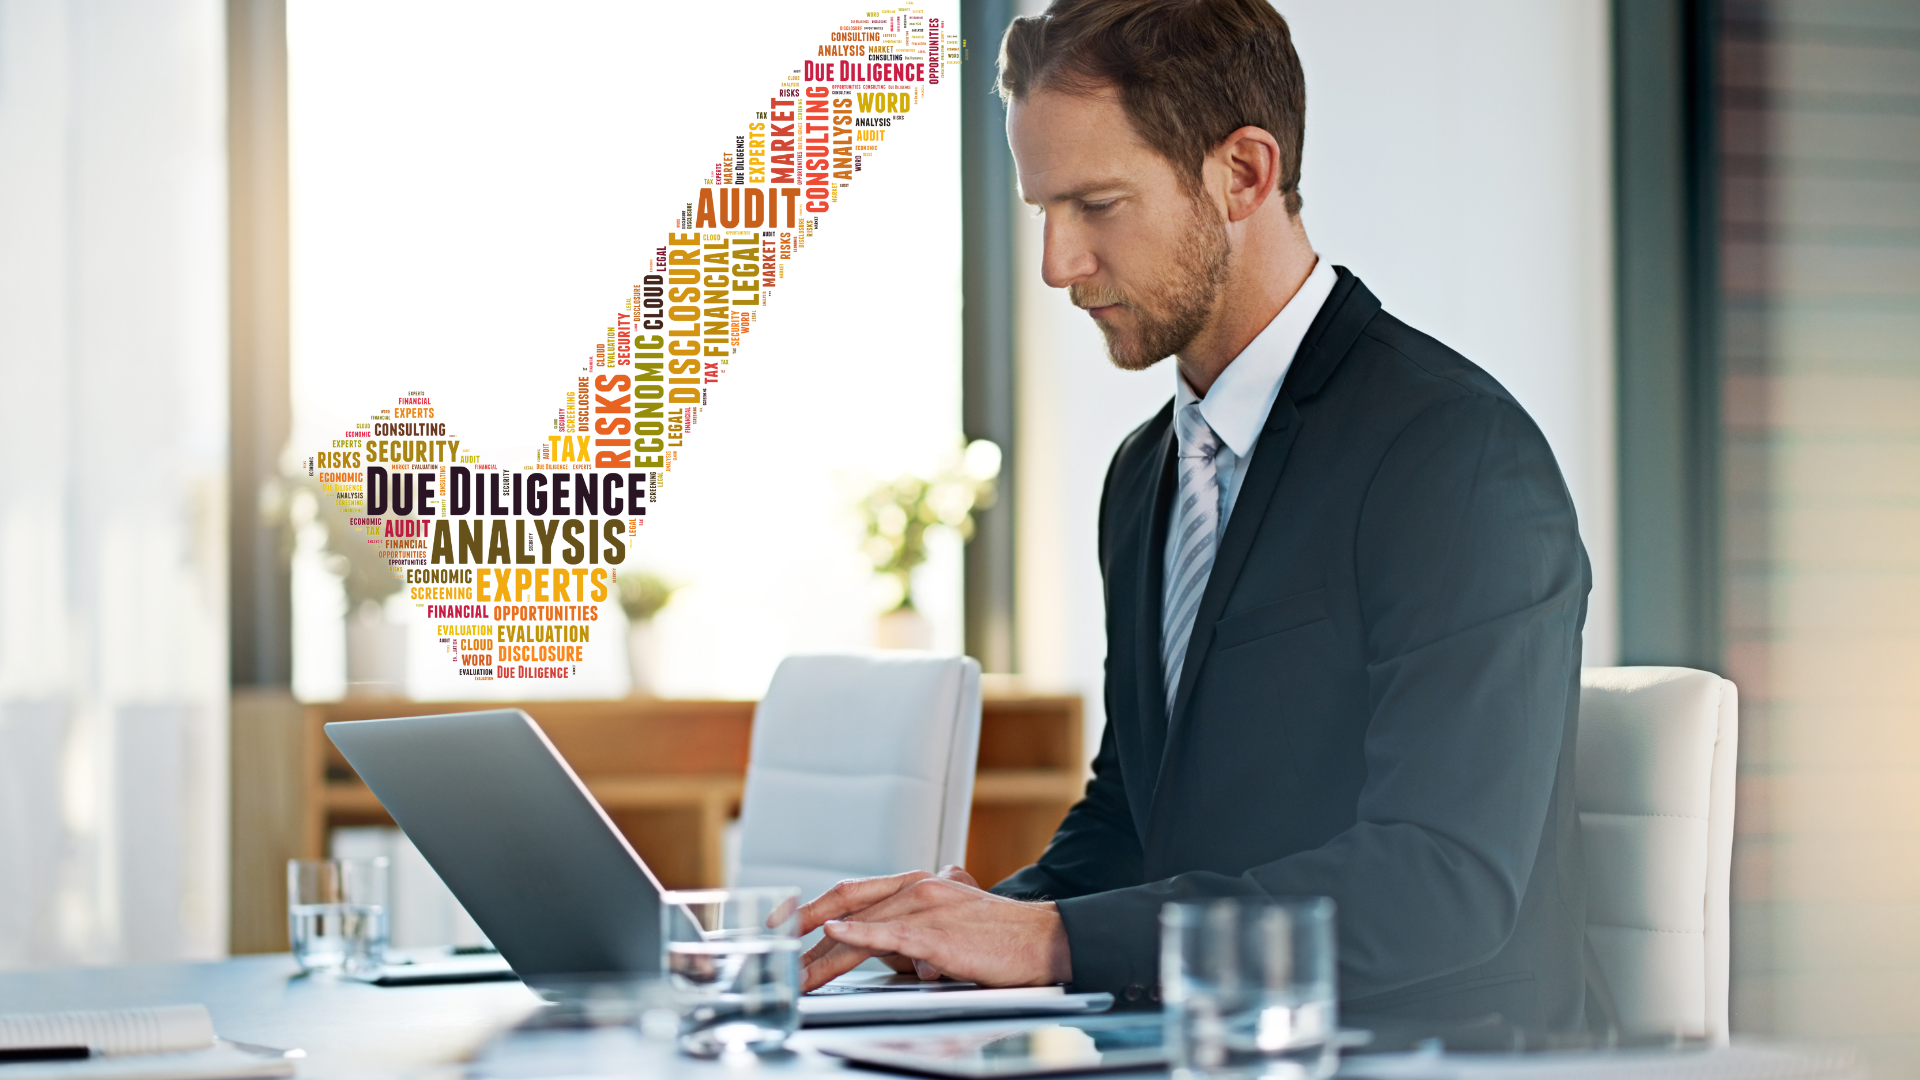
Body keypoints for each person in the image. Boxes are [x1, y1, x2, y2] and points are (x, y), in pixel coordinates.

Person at [797, 0, 1589, 1035]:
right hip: (1209, 1042)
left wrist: (1049, 944)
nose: (1057, 264)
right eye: (1044, 210)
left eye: (1096, 205)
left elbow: (1441, 881)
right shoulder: (1146, 473)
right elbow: (1135, 818)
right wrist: (962, 926)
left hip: (1423, 1053)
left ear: (1244, 175)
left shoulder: (1455, 455)